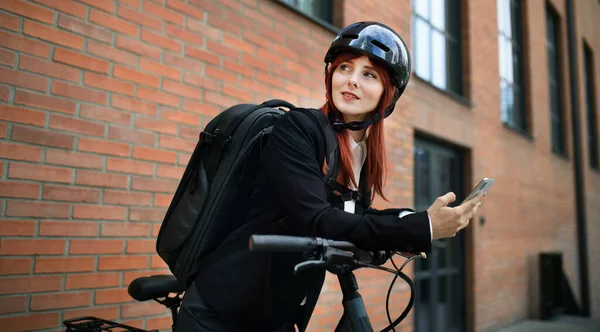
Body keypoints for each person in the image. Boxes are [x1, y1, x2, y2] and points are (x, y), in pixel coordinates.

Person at [175, 21, 482, 331]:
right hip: (222, 309)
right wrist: (423, 227)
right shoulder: (298, 129)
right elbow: (317, 218)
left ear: (387, 95)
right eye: (344, 68)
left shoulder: (358, 151)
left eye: (369, 74)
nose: (352, 81)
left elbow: (354, 214)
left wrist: (411, 218)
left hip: (275, 312)